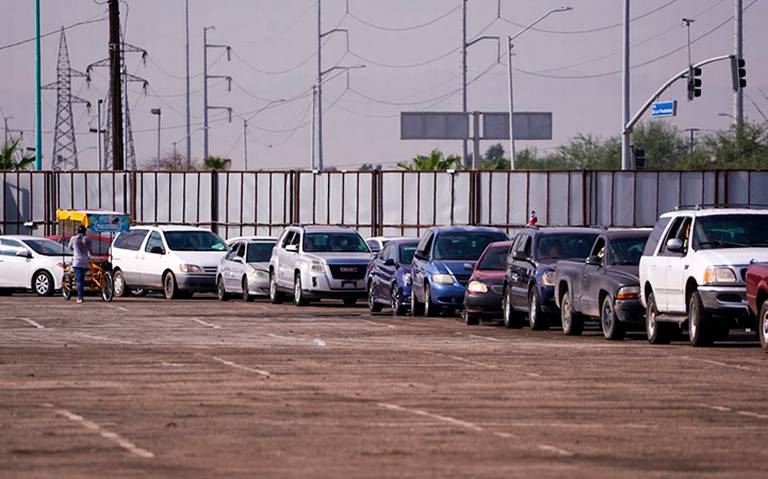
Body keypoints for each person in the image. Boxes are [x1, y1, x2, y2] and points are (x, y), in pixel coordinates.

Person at [68, 225, 92, 303]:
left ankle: (80, 297)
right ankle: (81, 295)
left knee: (79, 280)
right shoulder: (87, 239)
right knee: (82, 279)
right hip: (85, 261)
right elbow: (90, 250)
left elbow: (70, 247)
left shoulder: (73, 238)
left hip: (77, 261)